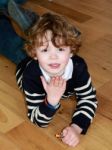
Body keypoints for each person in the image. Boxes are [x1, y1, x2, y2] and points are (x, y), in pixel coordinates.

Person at [16, 13, 98, 147]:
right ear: (34, 54)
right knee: (11, 45)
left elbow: (89, 98)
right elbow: (38, 120)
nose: (53, 57)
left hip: (40, 58)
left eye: (60, 48)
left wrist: (77, 128)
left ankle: (32, 24)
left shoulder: (78, 67)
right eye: (45, 50)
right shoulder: (31, 75)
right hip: (24, 65)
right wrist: (51, 101)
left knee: (39, 35)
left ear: (71, 51)